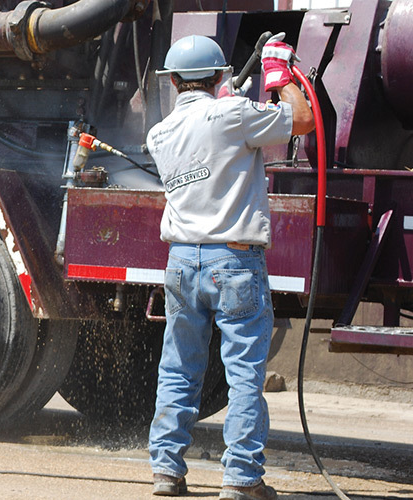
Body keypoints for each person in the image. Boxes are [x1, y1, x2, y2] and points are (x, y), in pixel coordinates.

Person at [145, 34, 314, 500]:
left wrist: (229, 104)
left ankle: (166, 471)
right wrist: (279, 75)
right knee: (243, 372)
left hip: (181, 262)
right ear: (219, 76)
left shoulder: (158, 134)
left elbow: (207, 137)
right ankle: (241, 478)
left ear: (173, 80)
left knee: (178, 368)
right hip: (234, 260)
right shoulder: (235, 115)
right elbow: (301, 120)